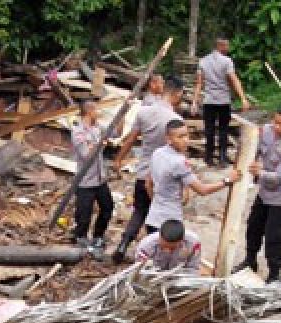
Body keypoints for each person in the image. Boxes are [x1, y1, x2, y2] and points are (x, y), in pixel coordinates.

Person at [112, 77, 185, 262]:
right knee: (160, 216)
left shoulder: (144, 112)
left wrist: (118, 159)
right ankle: (156, 254)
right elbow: (180, 151)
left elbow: (131, 139)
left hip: (144, 171)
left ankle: (123, 244)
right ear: (176, 94)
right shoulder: (176, 120)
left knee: (139, 211)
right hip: (165, 175)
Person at [239, 103, 281, 283]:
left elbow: (280, 176)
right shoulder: (265, 131)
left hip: (279, 197)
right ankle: (250, 261)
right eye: (276, 122)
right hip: (263, 193)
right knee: (253, 227)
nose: (278, 127)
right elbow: (255, 150)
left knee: (274, 236)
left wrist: (260, 173)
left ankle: (274, 273)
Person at [145, 119, 240, 232]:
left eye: (186, 135)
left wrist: (157, 203)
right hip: (170, 222)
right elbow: (202, 190)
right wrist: (228, 180)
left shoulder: (157, 153)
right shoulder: (179, 162)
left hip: (153, 217)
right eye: (180, 137)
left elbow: (148, 184)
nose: (186, 140)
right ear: (168, 139)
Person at [193, 36, 251, 167]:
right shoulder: (227, 61)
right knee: (223, 129)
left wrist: (195, 102)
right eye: (226, 46)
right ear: (221, 46)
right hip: (223, 101)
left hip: (209, 101)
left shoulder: (203, 61)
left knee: (209, 130)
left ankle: (208, 158)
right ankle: (222, 158)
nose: (228, 48)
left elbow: (199, 83)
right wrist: (243, 98)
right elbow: (234, 79)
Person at [71, 99, 114, 254]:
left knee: (108, 208)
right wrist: (99, 144)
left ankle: (98, 236)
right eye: (97, 110)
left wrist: (121, 117)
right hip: (85, 182)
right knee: (84, 214)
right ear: (89, 111)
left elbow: (116, 133)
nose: (99, 112)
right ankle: (80, 238)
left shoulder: (98, 128)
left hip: (100, 179)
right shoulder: (78, 132)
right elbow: (86, 155)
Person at [135, 219, 203, 272]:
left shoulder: (193, 244)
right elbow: (139, 269)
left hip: (178, 277)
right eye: (163, 246)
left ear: (182, 240)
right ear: (159, 237)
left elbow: (193, 268)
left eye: (172, 248)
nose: (167, 251)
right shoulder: (146, 246)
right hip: (152, 277)